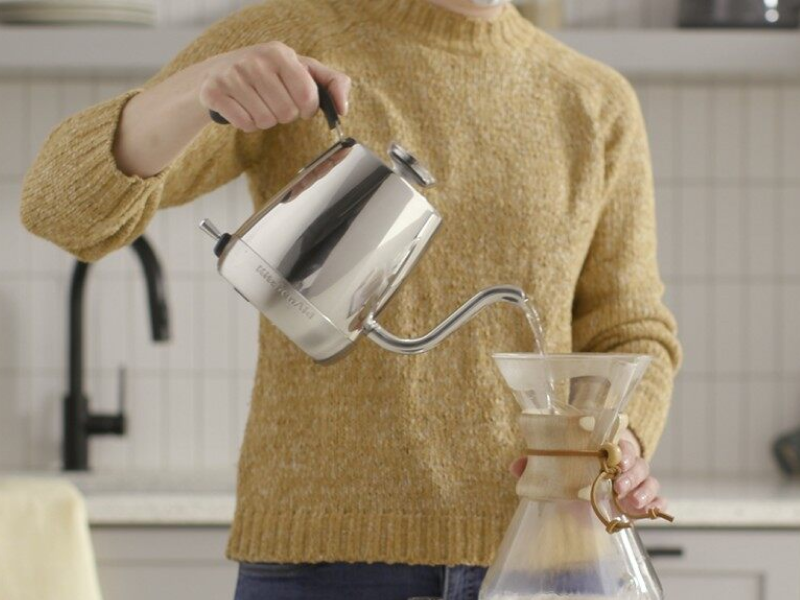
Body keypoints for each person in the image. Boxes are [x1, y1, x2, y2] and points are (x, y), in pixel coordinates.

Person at [20, 0, 682, 598]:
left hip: (548, 555)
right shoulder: (295, 40)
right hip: (326, 561)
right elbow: (60, 209)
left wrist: (621, 438)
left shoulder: (595, 101)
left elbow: (631, 329)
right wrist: (198, 89)